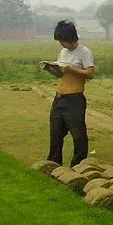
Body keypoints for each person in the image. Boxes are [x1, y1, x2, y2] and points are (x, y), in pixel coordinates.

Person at [44, 20, 95, 167]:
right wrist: (51, 69)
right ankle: (53, 164)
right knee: (56, 134)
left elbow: (90, 73)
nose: (61, 44)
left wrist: (71, 69)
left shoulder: (84, 52)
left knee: (78, 134)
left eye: (62, 41)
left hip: (74, 99)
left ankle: (78, 165)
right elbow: (61, 75)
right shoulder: (63, 52)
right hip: (59, 98)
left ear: (71, 38)